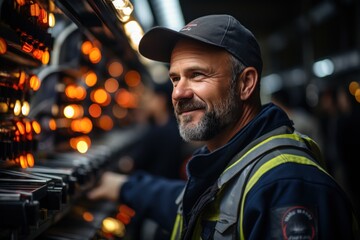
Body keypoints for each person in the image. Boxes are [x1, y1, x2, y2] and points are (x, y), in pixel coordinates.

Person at [88, 14, 359, 239]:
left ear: (245, 84)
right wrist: (123, 186)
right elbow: (191, 209)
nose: (179, 93)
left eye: (197, 75)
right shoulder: (228, 164)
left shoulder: (287, 188)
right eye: (174, 78)